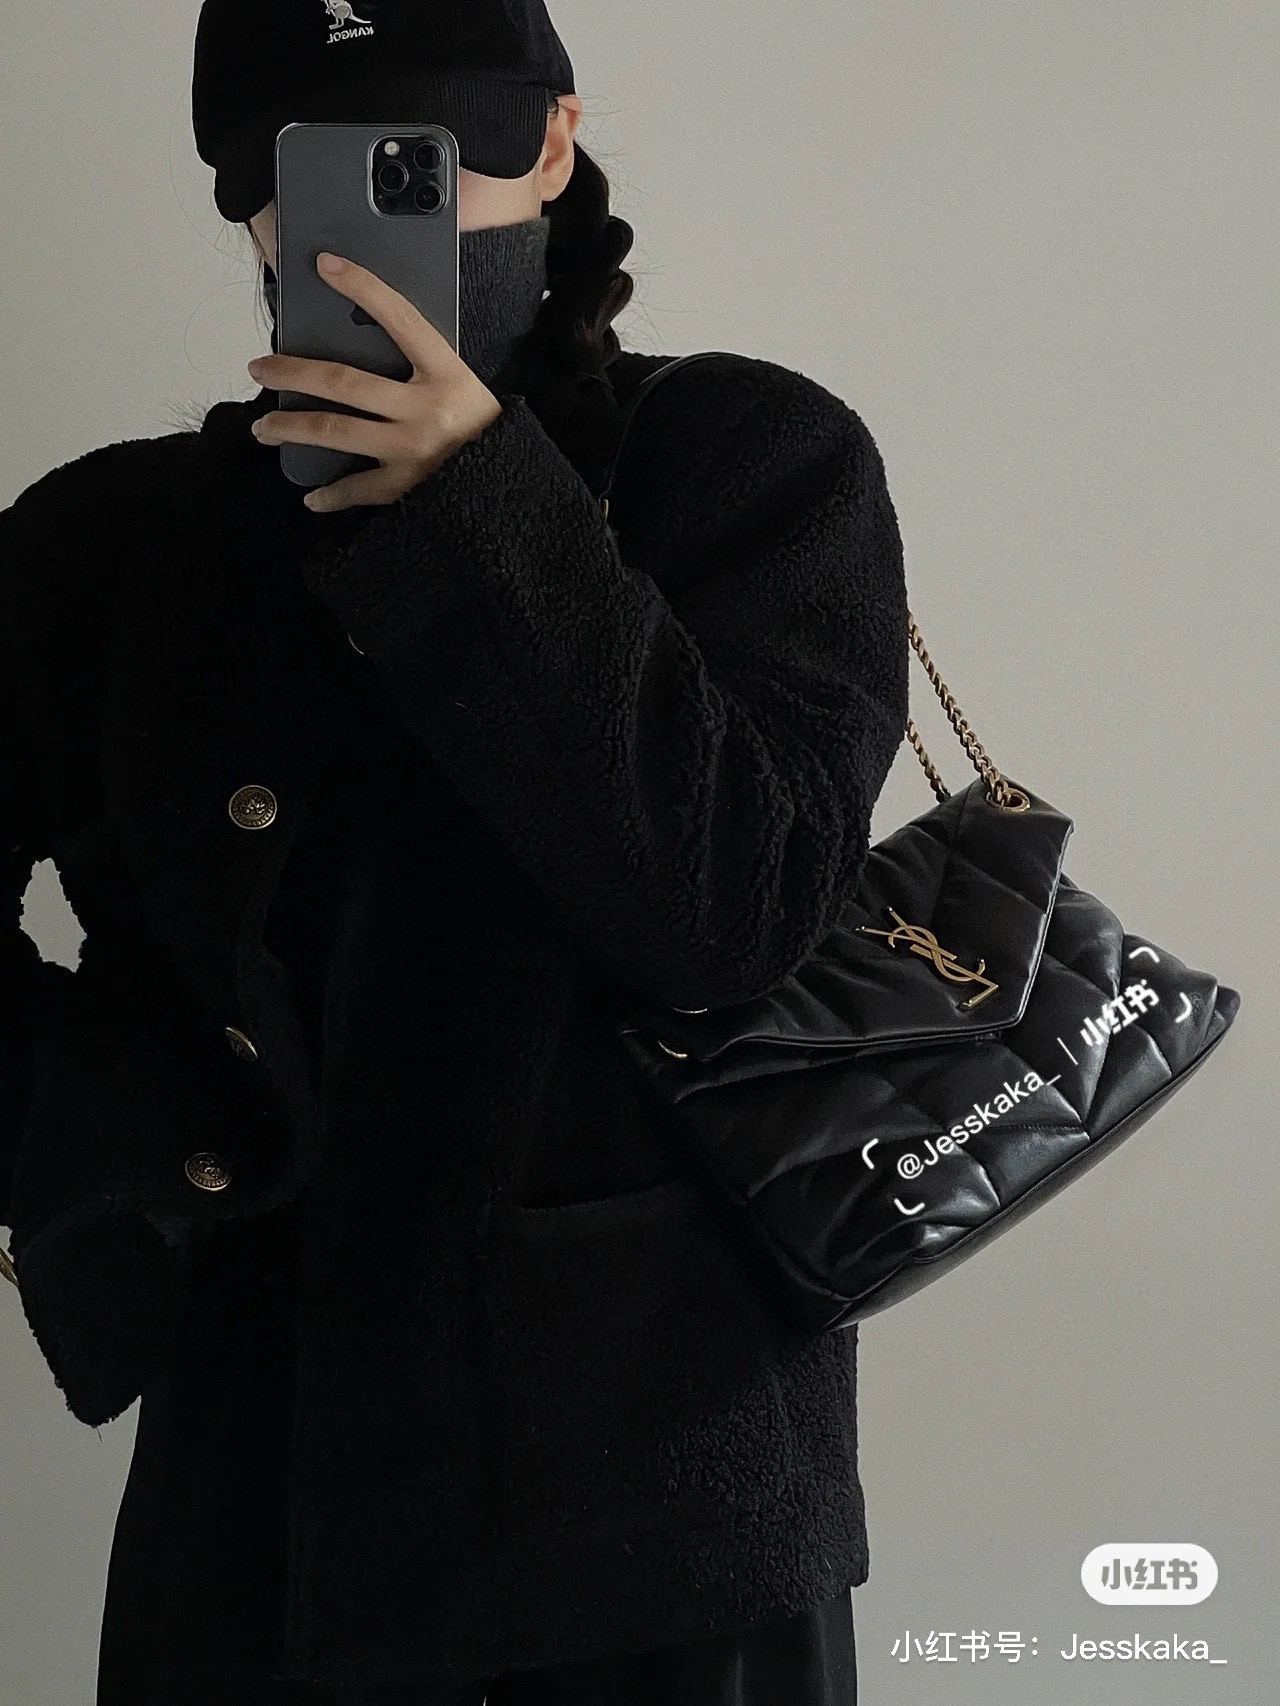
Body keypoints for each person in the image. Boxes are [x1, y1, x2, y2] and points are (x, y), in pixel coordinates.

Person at [1, 1, 910, 1701]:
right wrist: (108, 1128)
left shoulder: (746, 463)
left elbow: (736, 909)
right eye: (306, 170)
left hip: (662, 1508)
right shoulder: (108, 547)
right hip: (260, 1494)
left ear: (554, 144)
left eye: (428, 159)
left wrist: (478, 503)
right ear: (241, 202)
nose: (374, 218)